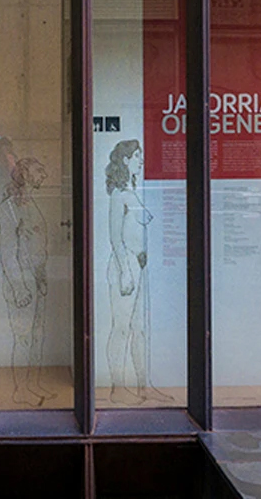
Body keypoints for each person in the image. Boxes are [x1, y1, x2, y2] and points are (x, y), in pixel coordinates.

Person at [105, 140, 172, 405]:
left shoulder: (134, 191)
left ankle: (143, 386)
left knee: (140, 329)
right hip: (125, 266)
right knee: (121, 328)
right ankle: (117, 388)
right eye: (136, 157)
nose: (141, 161)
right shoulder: (118, 195)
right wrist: (125, 271)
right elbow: (115, 237)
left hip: (139, 264)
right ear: (125, 160)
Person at [0, 152, 56, 406]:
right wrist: (19, 287)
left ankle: (32, 383)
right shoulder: (7, 209)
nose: (43, 175)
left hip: (36, 277)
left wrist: (41, 275)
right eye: (39, 172)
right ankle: (20, 389)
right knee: (23, 337)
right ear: (27, 176)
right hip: (20, 282)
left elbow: (38, 242)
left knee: (37, 335)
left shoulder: (31, 204)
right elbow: (7, 253)